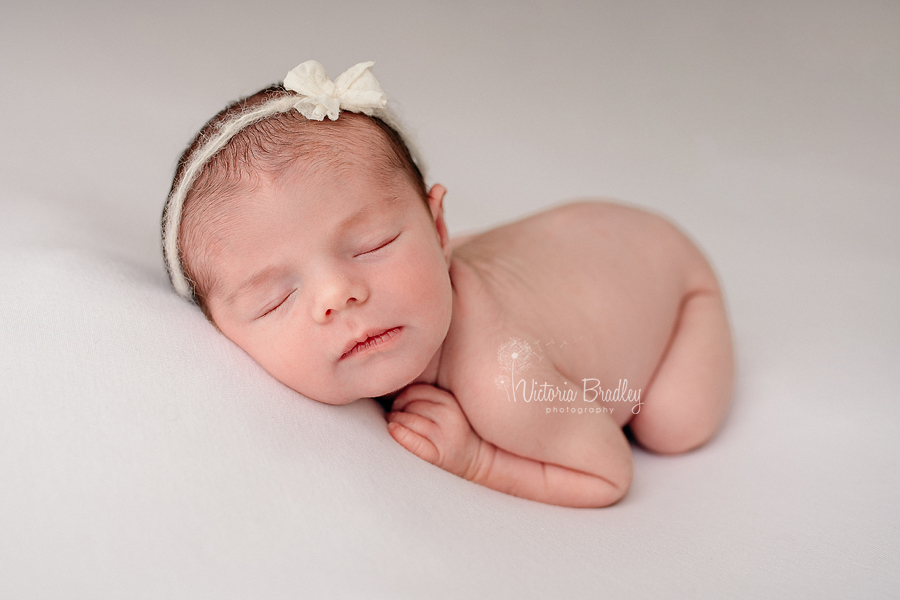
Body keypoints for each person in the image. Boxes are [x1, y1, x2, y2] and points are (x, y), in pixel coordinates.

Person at [162, 60, 734, 508]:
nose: (338, 295)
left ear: (439, 228)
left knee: (673, 424)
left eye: (373, 246)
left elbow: (607, 473)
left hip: (666, 271)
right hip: (583, 239)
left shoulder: (502, 382)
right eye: (275, 298)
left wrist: (477, 459)